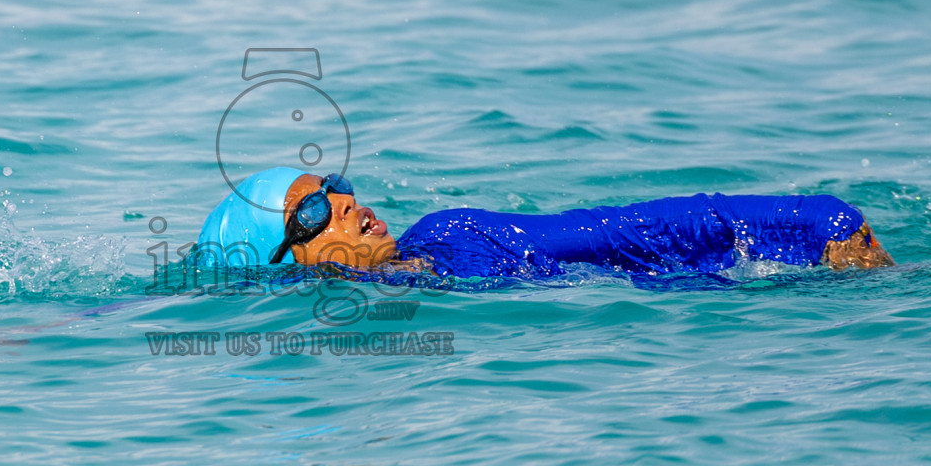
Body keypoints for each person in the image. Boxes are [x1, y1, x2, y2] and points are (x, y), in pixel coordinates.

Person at [195, 166, 893, 278]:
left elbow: (619, 228)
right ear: (281, 258)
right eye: (314, 210)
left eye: (338, 188)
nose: (347, 203)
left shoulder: (455, 235)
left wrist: (807, 221)